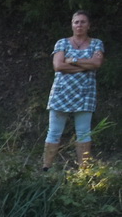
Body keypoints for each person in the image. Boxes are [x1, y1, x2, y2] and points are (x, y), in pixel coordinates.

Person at [44, 10, 104, 170]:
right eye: (76, 22)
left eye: (83, 22)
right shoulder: (62, 43)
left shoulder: (97, 43)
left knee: (84, 132)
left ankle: (83, 171)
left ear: (88, 25)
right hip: (61, 92)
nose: (79, 25)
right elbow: (58, 66)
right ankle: (46, 168)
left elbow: (97, 64)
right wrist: (85, 66)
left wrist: (74, 61)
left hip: (86, 93)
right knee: (54, 132)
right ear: (72, 25)